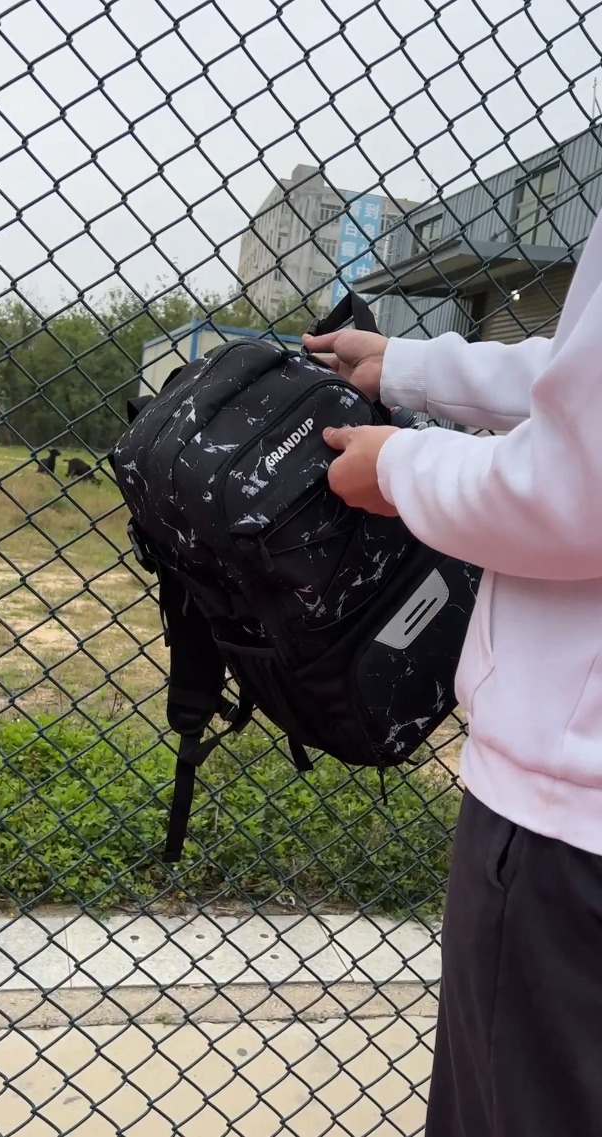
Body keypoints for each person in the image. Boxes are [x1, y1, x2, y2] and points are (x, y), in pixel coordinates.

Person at [303, 212, 602, 1137]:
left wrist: (400, 465)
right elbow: (579, 383)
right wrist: (411, 367)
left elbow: (574, 487)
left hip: (574, 825)